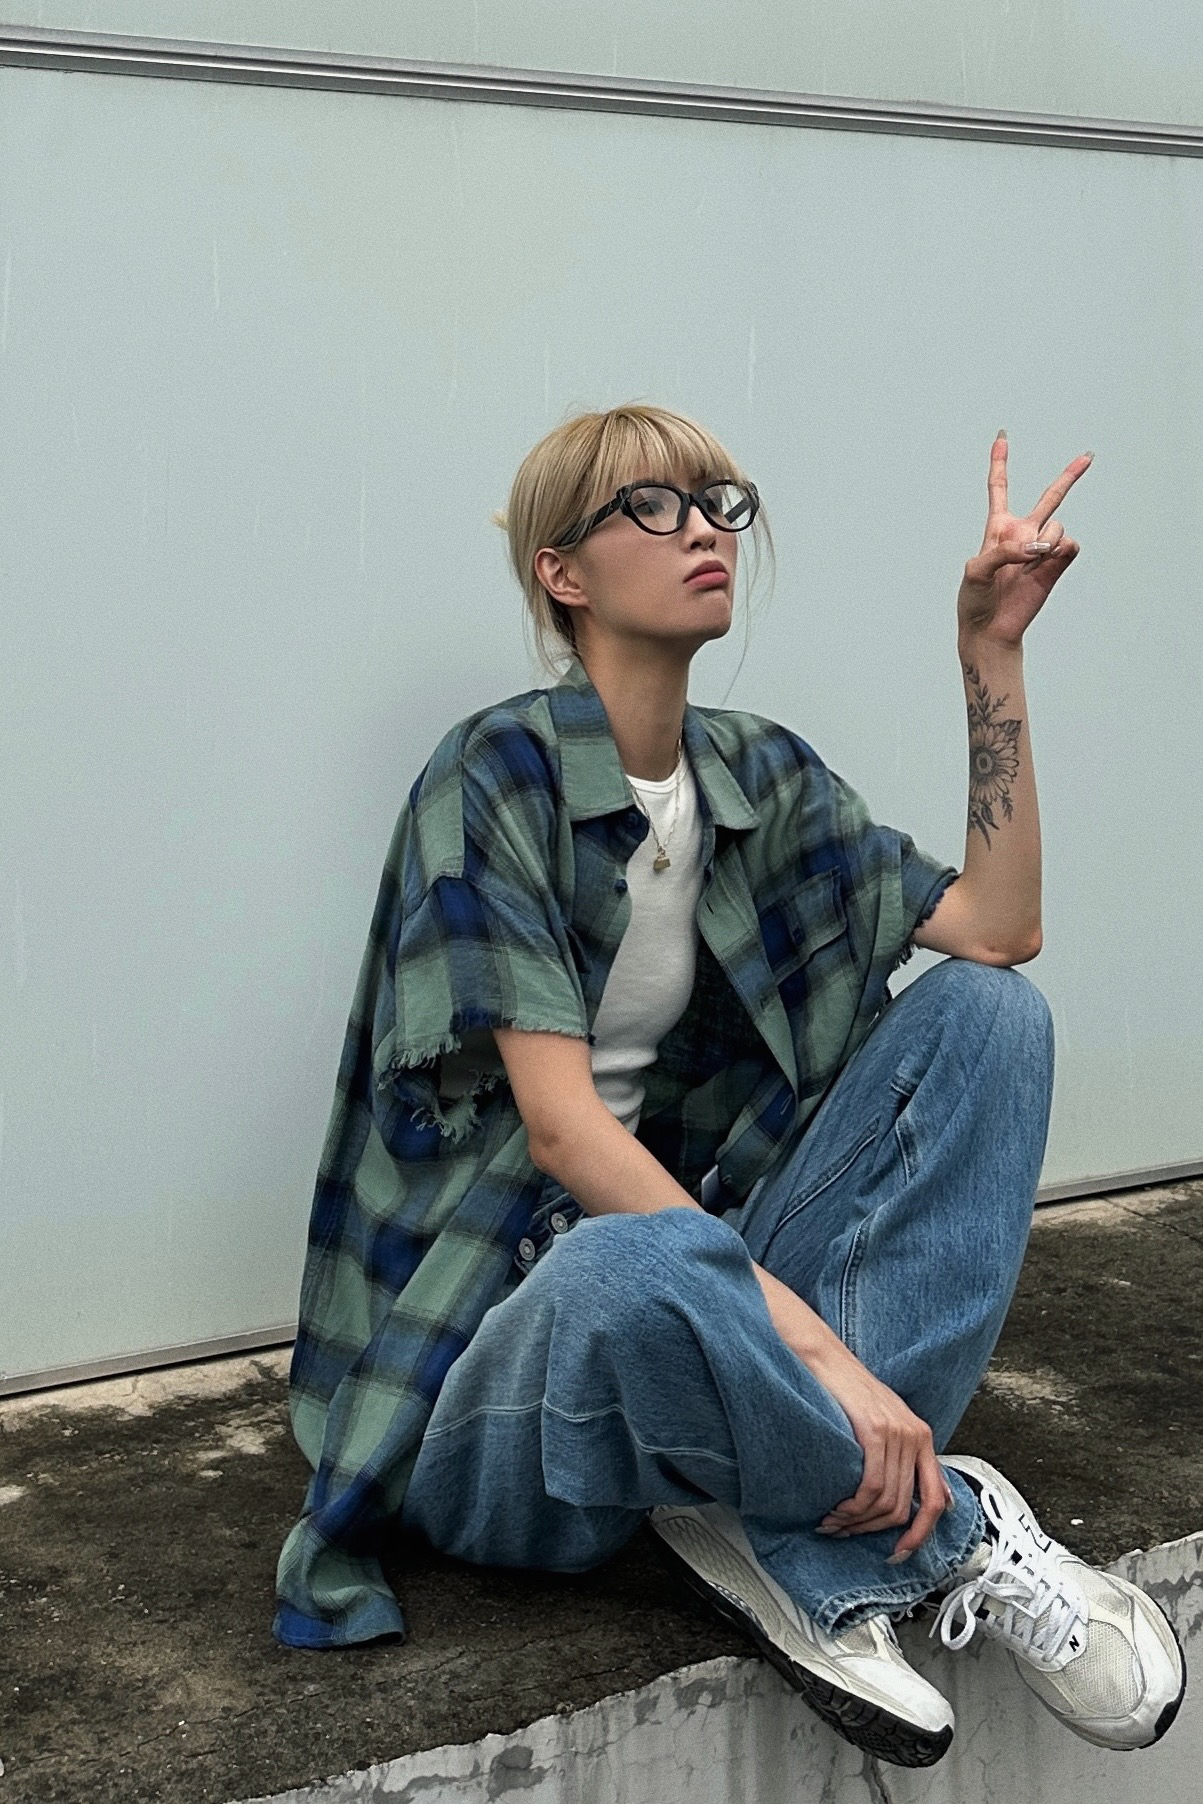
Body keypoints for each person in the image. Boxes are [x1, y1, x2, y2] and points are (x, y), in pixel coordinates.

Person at [274, 403, 1184, 1769]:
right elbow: (564, 1133)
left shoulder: (758, 775)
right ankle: (941, 1530)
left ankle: (781, 1534)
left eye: (716, 502)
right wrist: (820, 1352)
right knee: (623, 1263)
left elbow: (1000, 930)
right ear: (562, 574)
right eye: (651, 506)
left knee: (992, 1019)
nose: (703, 528)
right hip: (509, 1378)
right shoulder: (493, 777)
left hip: (703, 1297)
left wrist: (990, 653)